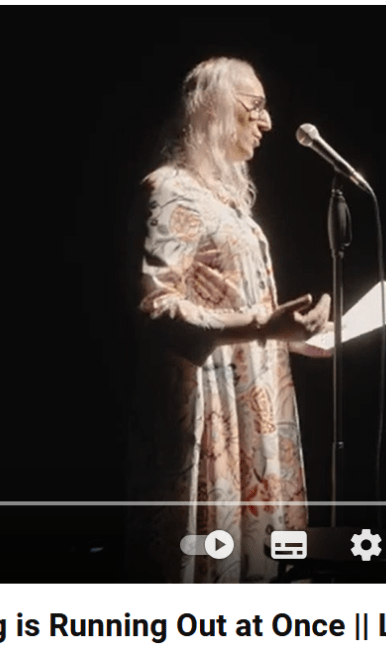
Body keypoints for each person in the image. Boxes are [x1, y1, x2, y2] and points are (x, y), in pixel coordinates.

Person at [126, 57, 333, 583]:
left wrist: (290, 339)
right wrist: (264, 326)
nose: (267, 122)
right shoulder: (171, 188)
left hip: (253, 398)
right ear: (215, 109)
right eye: (255, 107)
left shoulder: (227, 202)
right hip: (207, 403)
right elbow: (156, 307)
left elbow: (231, 306)